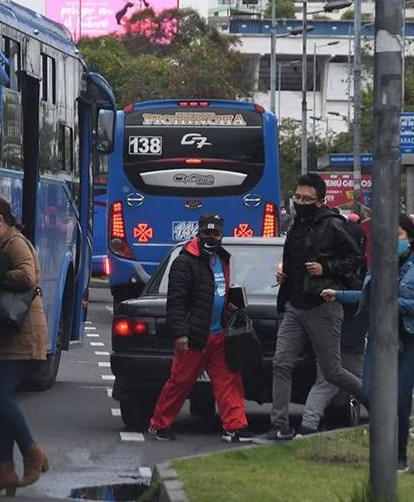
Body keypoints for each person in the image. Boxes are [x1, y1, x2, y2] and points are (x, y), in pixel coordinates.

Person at [322, 214, 414, 472]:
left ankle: (398, 455)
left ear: (409, 237)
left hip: (409, 341)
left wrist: (396, 304)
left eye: (397, 235)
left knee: (399, 398)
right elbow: (368, 298)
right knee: (368, 394)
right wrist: (339, 295)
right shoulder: (378, 265)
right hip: (378, 341)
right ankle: (386, 441)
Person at [256, 173, 365, 443]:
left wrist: (325, 268)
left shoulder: (333, 225)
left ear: (320, 201)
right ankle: (280, 425)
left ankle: (382, 409)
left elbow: (355, 259)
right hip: (294, 304)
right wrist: (286, 275)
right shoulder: (295, 225)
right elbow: (294, 259)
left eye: (306, 198)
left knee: (332, 371)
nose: (300, 202)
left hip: (322, 305)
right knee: (281, 362)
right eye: (297, 197)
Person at [147, 212, 254, 443]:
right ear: (198, 232)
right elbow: (176, 301)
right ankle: (159, 424)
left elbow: (216, 291)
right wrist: (181, 333)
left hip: (218, 334)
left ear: (221, 234)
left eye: (216, 233)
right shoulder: (184, 261)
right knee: (180, 382)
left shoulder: (222, 258)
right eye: (207, 233)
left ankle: (235, 426)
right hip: (195, 335)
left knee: (229, 381)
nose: (211, 237)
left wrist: (228, 306)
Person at [0, 195, 50, 496]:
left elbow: (28, 277)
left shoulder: (16, 243)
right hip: (3, 333)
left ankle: (32, 452)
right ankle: (4, 469)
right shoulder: (0, 244)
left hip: (21, 334)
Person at [296, 212, 369, 436]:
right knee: (333, 379)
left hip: (341, 334)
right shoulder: (345, 268)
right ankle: (309, 426)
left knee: (331, 380)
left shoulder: (334, 265)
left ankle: (309, 426)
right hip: (342, 333)